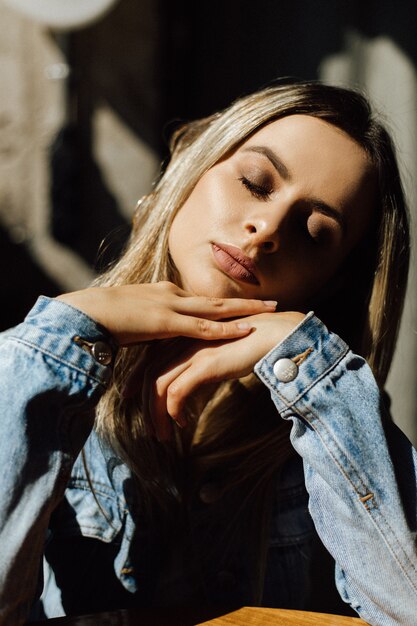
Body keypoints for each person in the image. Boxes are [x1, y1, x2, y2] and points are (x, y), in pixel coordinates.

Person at [0, 81, 415, 626]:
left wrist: (315, 372)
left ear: (329, 286)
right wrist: (62, 333)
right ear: (189, 167)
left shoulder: (335, 426)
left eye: (314, 233)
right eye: (254, 182)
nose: (265, 230)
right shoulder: (37, 379)